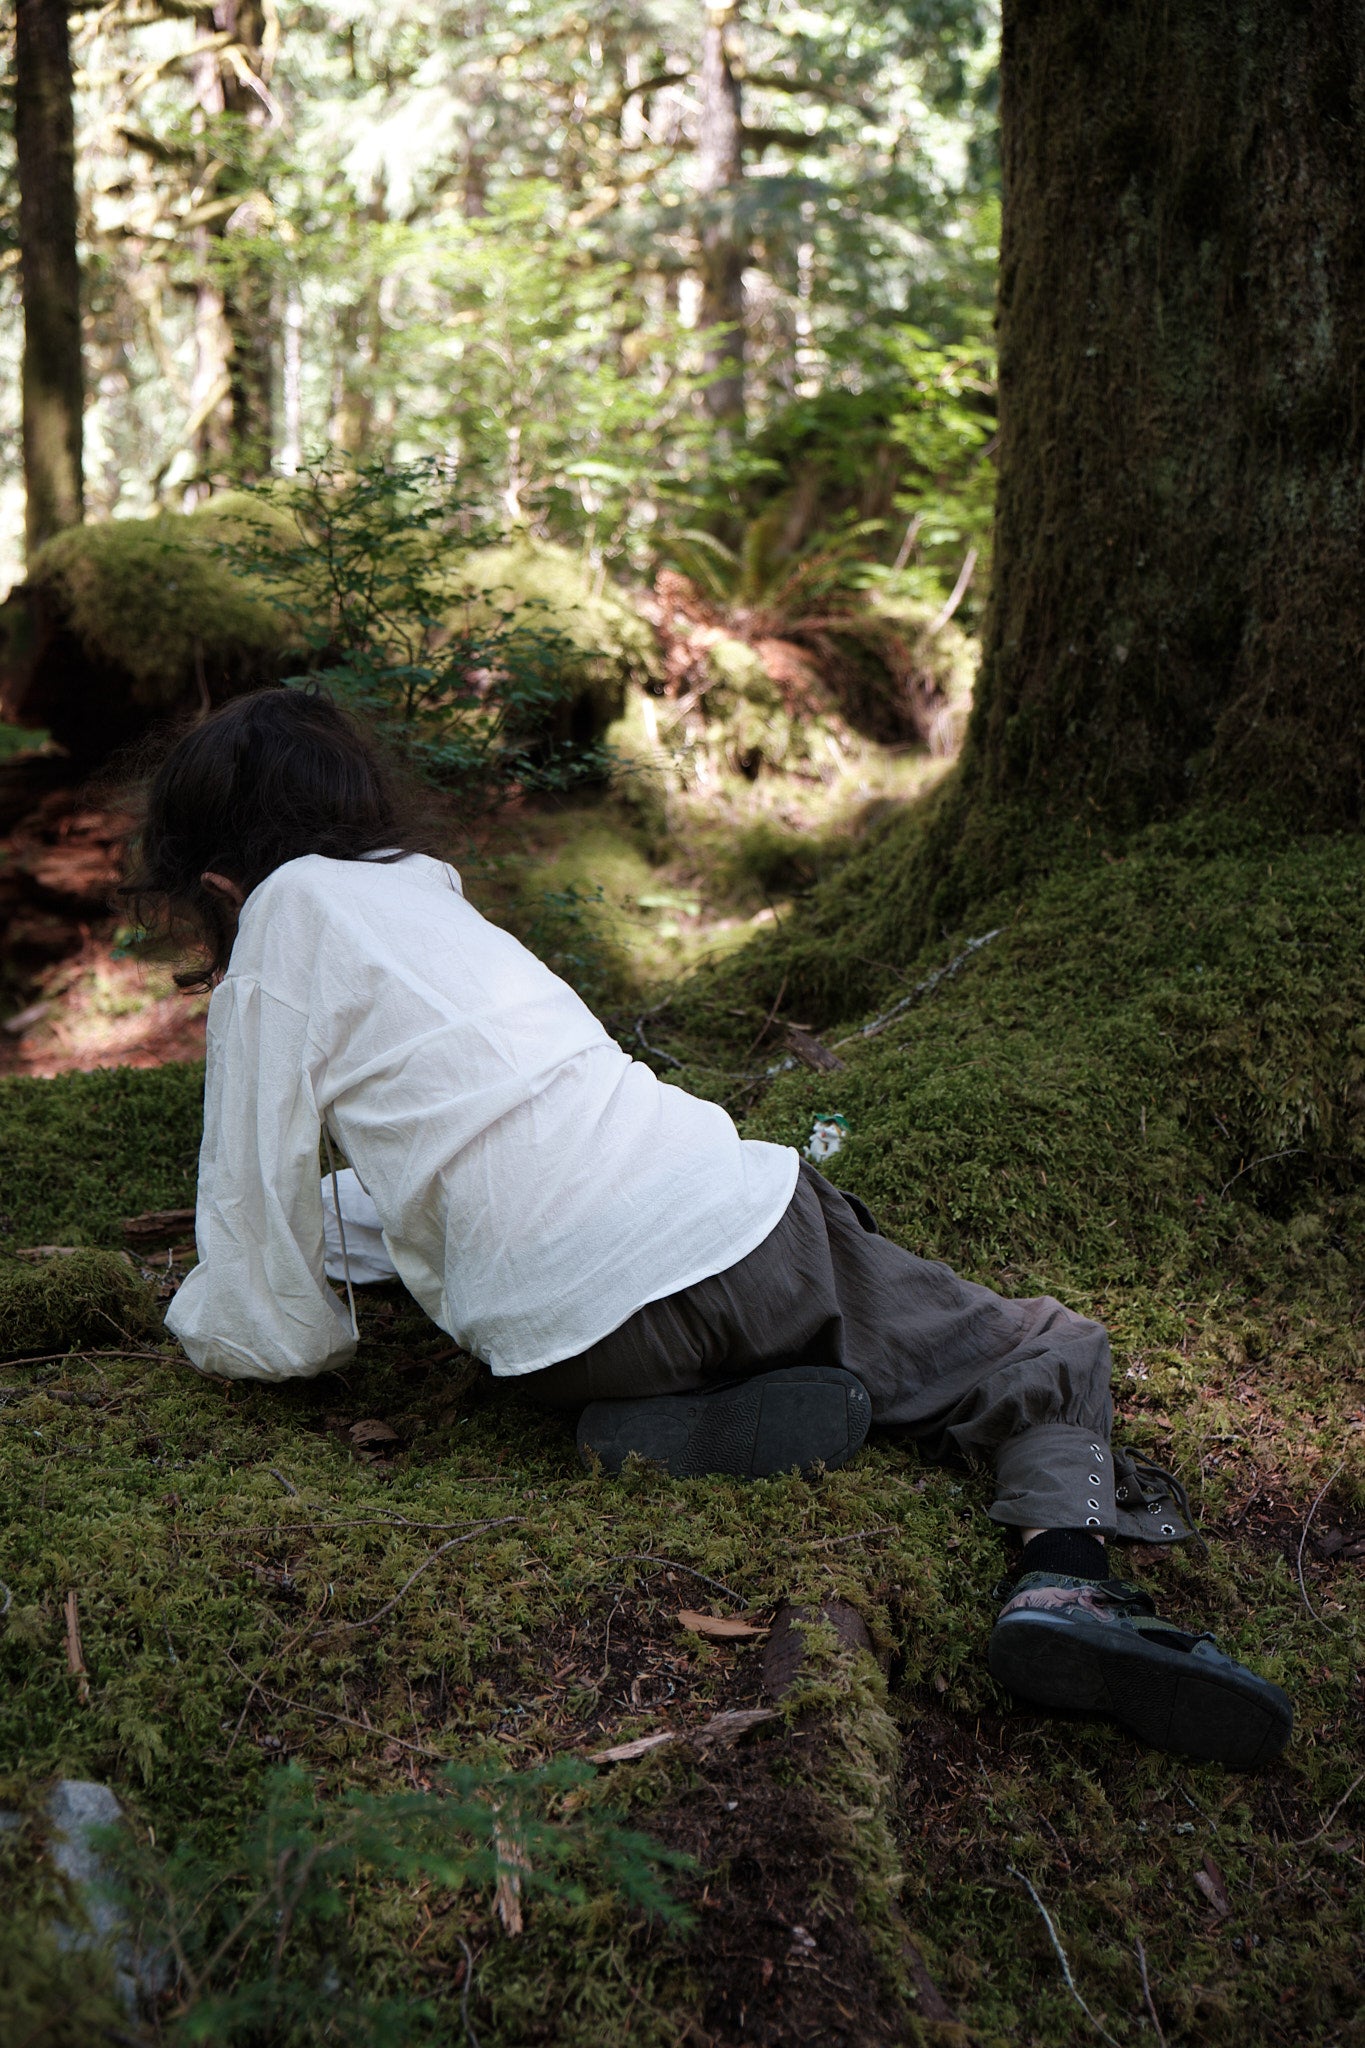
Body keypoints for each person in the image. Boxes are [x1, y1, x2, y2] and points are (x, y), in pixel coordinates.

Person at [126, 687, 1292, 1771]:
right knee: (1037, 1345)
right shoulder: (425, 898)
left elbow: (267, 1231)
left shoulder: (277, 924)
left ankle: (669, 1420)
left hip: (558, 1348)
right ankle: (1066, 1579)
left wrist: (230, 1312)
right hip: (733, 1236)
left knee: (629, 1288)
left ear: (217, 880)